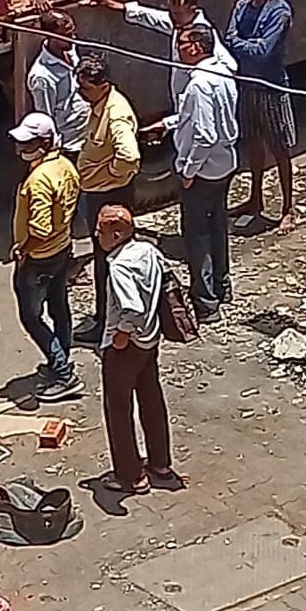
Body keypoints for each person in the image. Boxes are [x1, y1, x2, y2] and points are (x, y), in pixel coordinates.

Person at [147, 25, 237, 324]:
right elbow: (194, 116)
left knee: (197, 235)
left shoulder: (199, 84)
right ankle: (222, 286)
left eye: (183, 43)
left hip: (204, 171)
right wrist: (168, 124)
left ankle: (206, 301)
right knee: (217, 227)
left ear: (197, 47)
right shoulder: (223, 73)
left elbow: (205, 135)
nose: (179, 49)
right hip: (223, 165)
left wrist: (187, 170)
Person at [95, 204, 181, 494]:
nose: (96, 235)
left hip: (126, 346)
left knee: (118, 408)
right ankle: (160, 463)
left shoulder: (118, 265)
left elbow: (131, 308)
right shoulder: (147, 250)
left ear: (117, 234)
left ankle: (130, 475)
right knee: (151, 398)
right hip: (151, 340)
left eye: (100, 230)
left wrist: (121, 336)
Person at [10, 112, 83, 402]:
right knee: (59, 307)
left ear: (45, 142)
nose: (20, 149)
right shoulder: (65, 166)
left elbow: (40, 228)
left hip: (39, 257)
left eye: (27, 143)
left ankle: (64, 373)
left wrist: (22, 249)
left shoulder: (39, 180)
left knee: (31, 316)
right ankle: (60, 358)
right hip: (62, 249)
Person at [225, 0, 297, 231]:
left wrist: (242, 44)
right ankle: (255, 198)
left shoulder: (279, 12)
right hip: (246, 85)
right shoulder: (242, 6)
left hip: (271, 87)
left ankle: (288, 207)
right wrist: (245, 44)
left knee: (279, 148)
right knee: (252, 144)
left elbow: (263, 52)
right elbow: (230, 39)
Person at [73, 54, 140, 346]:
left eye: (85, 88)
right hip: (99, 192)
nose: (80, 93)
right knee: (105, 259)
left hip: (110, 196)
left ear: (103, 85)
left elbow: (130, 156)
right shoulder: (100, 106)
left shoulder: (115, 114)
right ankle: (108, 317)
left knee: (110, 261)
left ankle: (108, 323)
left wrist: (109, 174)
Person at [103, 0, 235, 105]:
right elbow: (151, 17)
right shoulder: (180, 22)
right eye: (171, 13)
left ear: (192, 9)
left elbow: (229, 65)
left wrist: (205, 80)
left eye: (177, 13)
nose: (173, 17)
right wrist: (119, 6)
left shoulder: (204, 34)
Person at [26, 9, 90, 162]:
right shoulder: (42, 77)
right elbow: (45, 121)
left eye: (72, 32)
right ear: (51, 36)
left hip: (88, 137)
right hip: (71, 146)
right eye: (67, 35)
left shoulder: (70, 49)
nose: (73, 38)